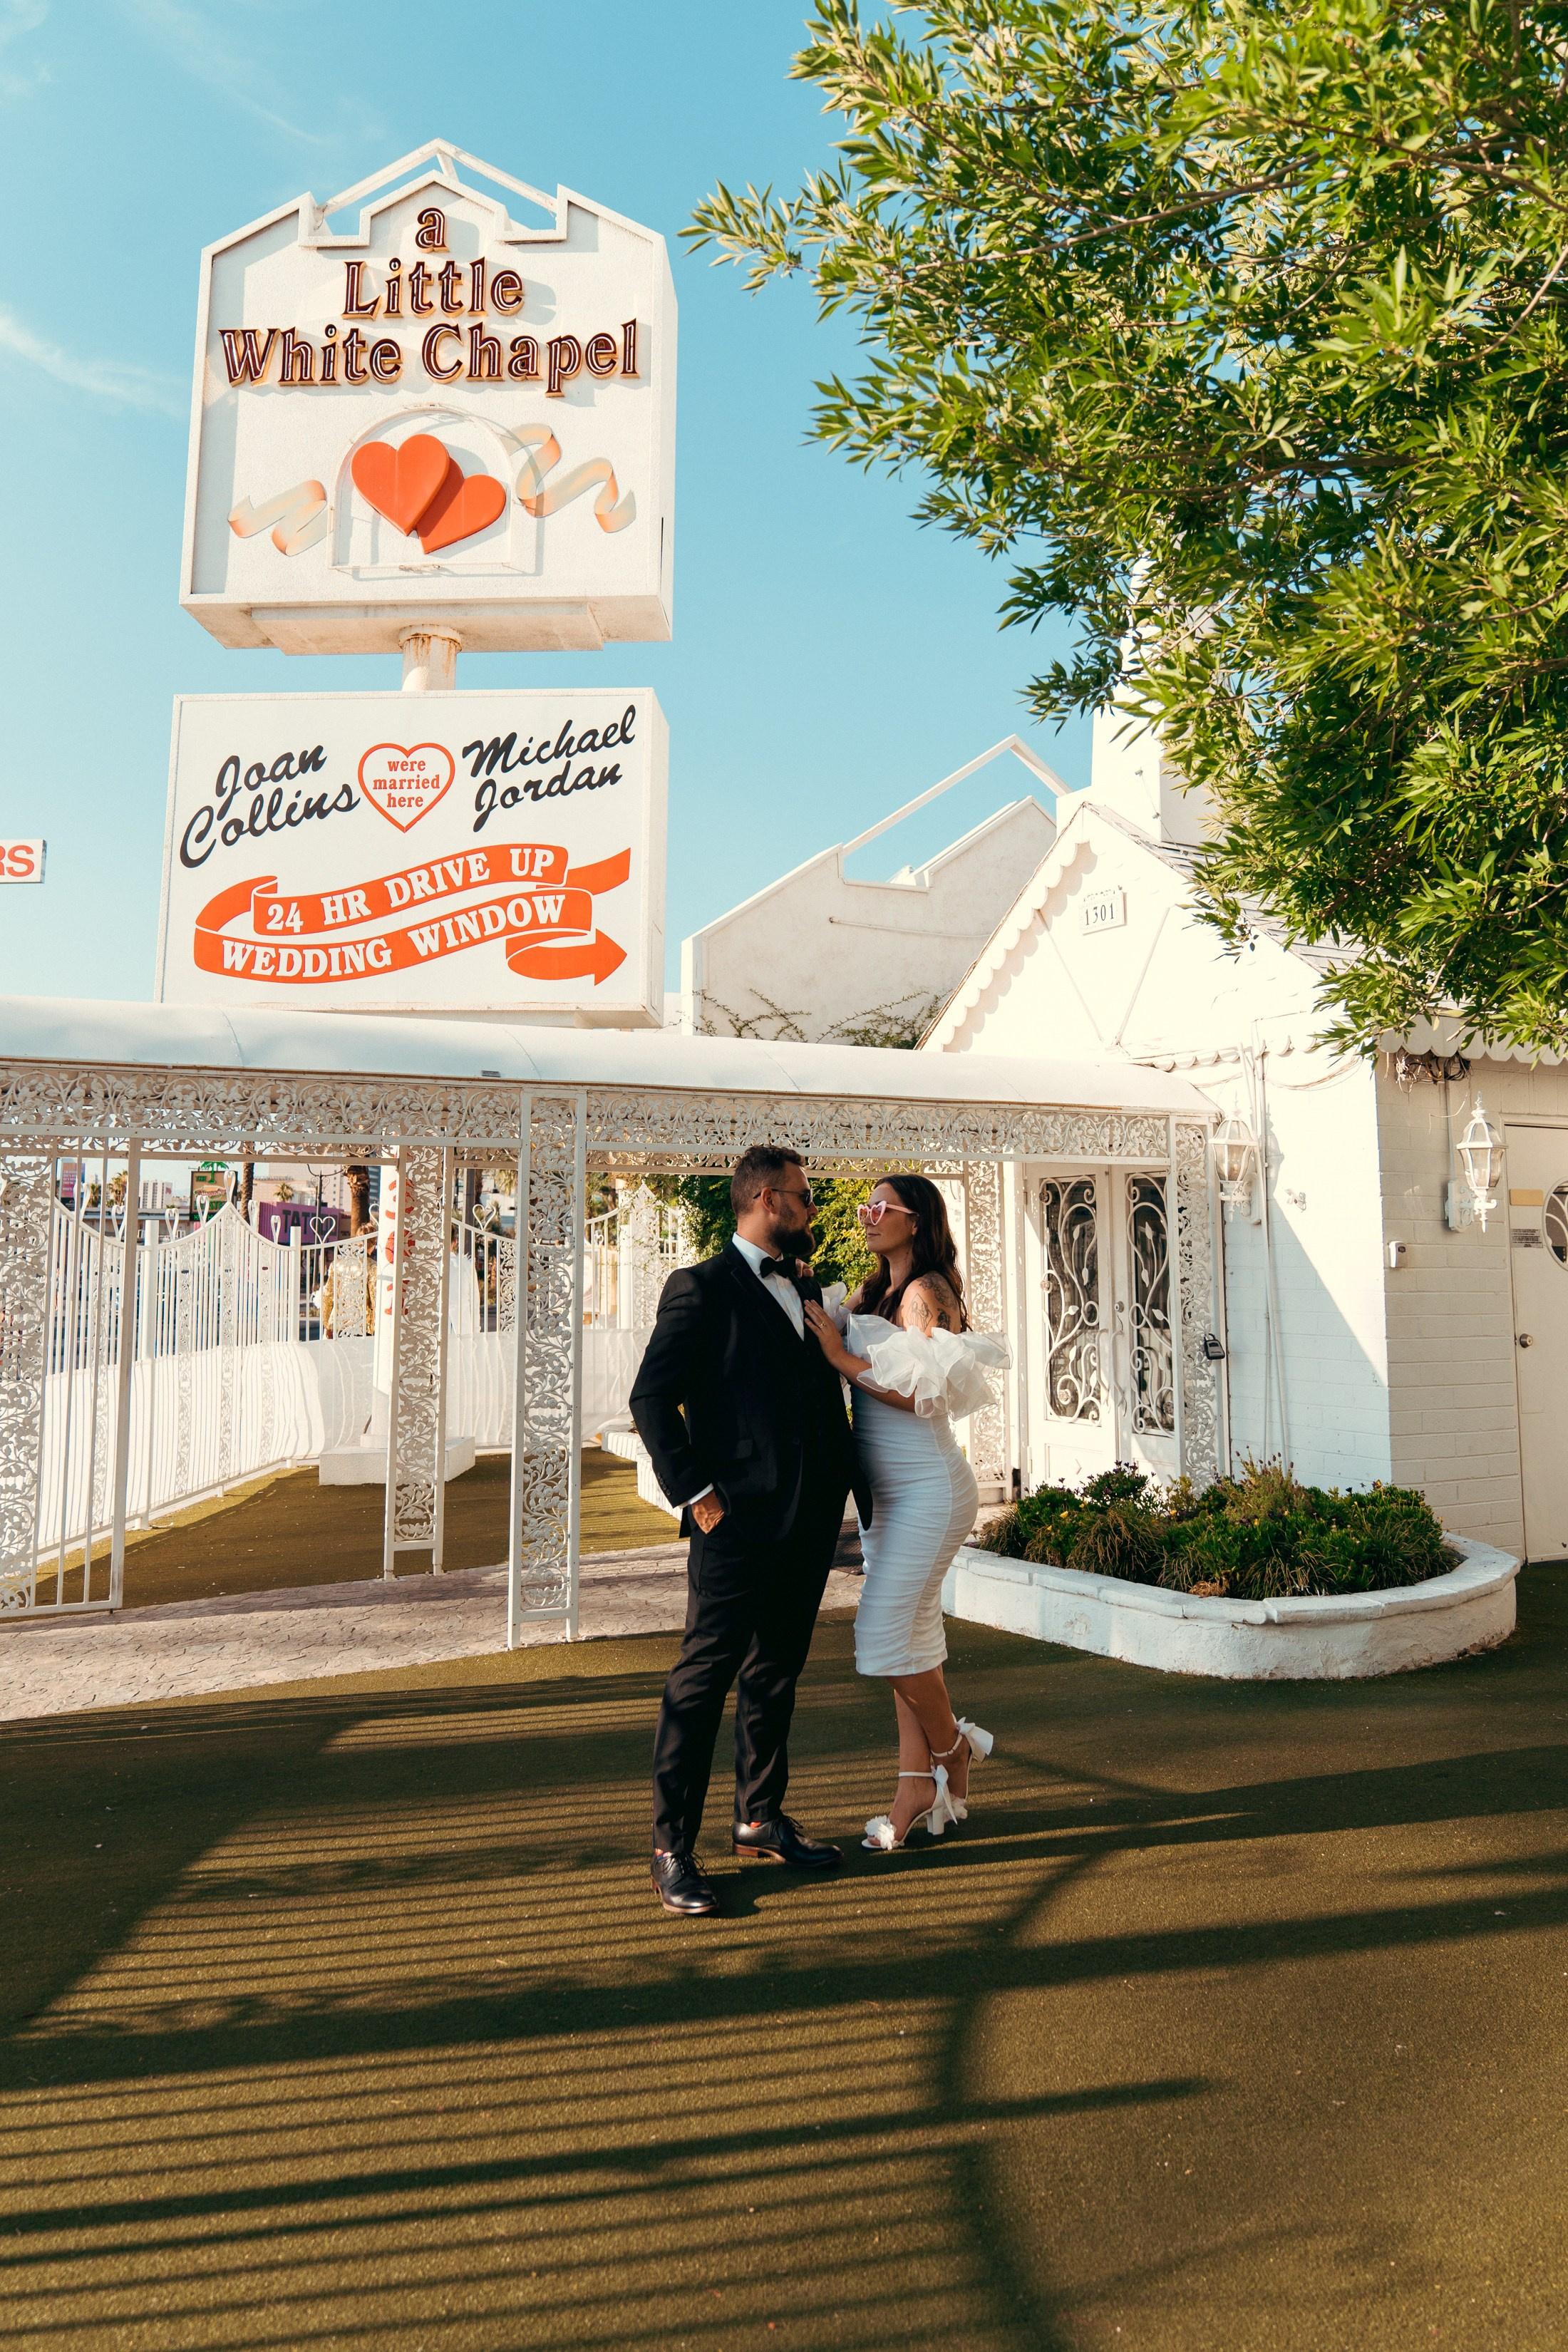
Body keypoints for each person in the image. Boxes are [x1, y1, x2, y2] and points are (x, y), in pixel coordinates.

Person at [631, 1145, 870, 1917]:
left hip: (807, 1522)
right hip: (732, 1523)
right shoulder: (698, 1288)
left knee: (775, 1676)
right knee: (701, 1683)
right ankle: (673, 1848)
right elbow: (650, 1399)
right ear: (768, 1200)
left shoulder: (801, 1284)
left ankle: (759, 1817)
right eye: (802, 1197)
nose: (810, 1209)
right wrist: (697, 1496)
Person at [803, 1175, 1009, 1852]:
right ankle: (913, 1785)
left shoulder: (928, 1293)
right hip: (884, 1497)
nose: (867, 1215)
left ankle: (952, 1750)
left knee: (884, 1633)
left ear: (915, 1221)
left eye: (880, 1207)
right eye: (865, 1206)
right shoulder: (871, 1293)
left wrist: (839, 1357)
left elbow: (925, 1395)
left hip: (929, 1486)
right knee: (914, 1638)